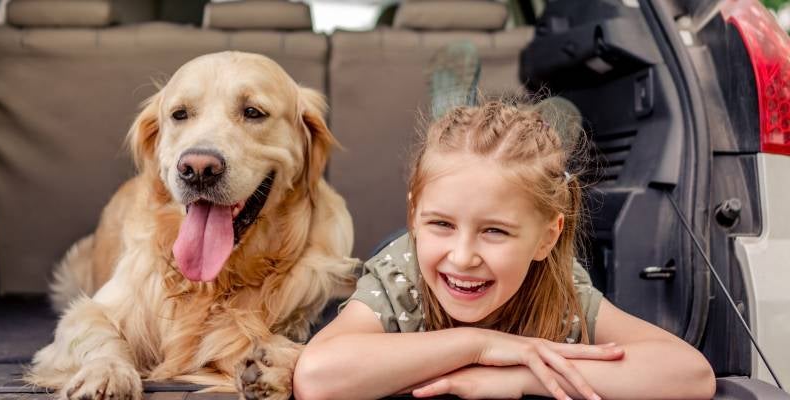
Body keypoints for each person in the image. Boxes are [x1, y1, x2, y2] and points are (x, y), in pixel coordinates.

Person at [293, 100, 716, 400]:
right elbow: (317, 377)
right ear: (415, 214)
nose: (462, 256)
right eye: (440, 222)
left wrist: (521, 375)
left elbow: (690, 375)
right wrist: (478, 346)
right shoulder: (399, 279)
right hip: (412, 256)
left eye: (494, 231)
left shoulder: (560, 289)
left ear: (546, 238)